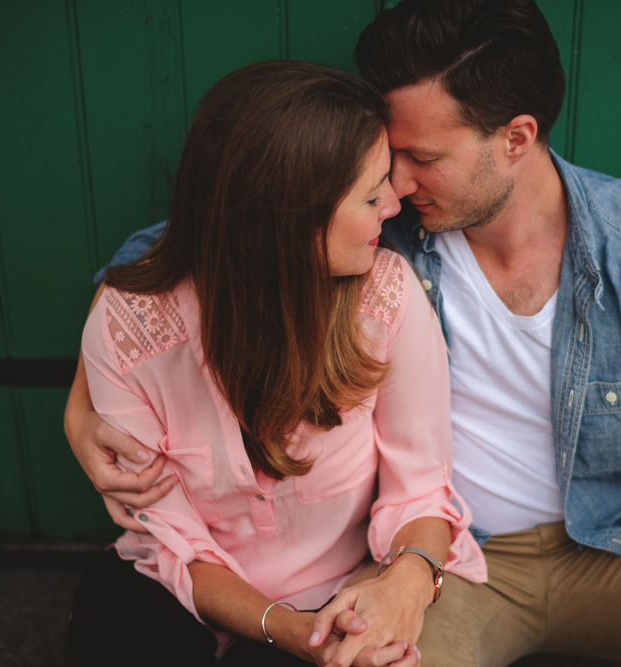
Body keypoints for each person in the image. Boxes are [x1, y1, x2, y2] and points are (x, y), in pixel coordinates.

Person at [65, 1, 621, 666]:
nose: (396, 183)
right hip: (450, 557)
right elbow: (216, 234)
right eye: (387, 161)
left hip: (614, 536)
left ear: (515, 137)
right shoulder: (384, 232)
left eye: (420, 157)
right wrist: (85, 396)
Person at [63, 59, 487, 667]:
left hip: (340, 591)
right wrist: (285, 628)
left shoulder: (386, 301)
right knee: (119, 627)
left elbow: (419, 492)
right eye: (371, 195)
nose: (395, 206)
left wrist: (404, 584)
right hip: (182, 592)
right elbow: (177, 546)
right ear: (287, 222)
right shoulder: (132, 328)